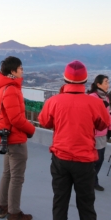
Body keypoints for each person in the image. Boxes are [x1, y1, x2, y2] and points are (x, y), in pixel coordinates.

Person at [38, 60, 110, 220]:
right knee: (86, 205)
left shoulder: (54, 101)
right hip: (84, 160)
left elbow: (44, 122)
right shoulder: (96, 103)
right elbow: (104, 123)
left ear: (65, 79)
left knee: (60, 201)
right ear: (85, 81)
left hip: (60, 158)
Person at [0, 56, 35, 220]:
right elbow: (16, 118)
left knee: (7, 174)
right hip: (15, 139)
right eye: (20, 68)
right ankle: (14, 213)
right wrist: (31, 129)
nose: (22, 71)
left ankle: (3, 207)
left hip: (6, 137)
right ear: (13, 71)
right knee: (16, 177)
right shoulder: (11, 89)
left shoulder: (3, 88)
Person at [87, 75, 111, 191]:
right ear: (98, 84)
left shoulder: (106, 98)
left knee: (100, 160)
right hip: (94, 134)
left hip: (103, 134)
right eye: (106, 82)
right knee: (94, 160)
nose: (108, 84)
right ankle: (91, 181)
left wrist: (109, 128)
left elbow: (108, 116)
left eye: (108, 82)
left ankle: (92, 181)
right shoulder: (92, 97)